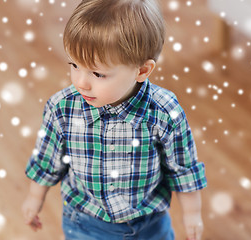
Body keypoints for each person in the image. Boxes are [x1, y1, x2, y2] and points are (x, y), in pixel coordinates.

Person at [22, 0, 207, 239]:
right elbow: (48, 161)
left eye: (98, 73)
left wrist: (192, 213)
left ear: (142, 71)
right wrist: (35, 198)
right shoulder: (62, 108)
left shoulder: (164, 112)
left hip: (150, 224)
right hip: (86, 225)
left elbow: (182, 168)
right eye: (75, 65)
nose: (81, 82)